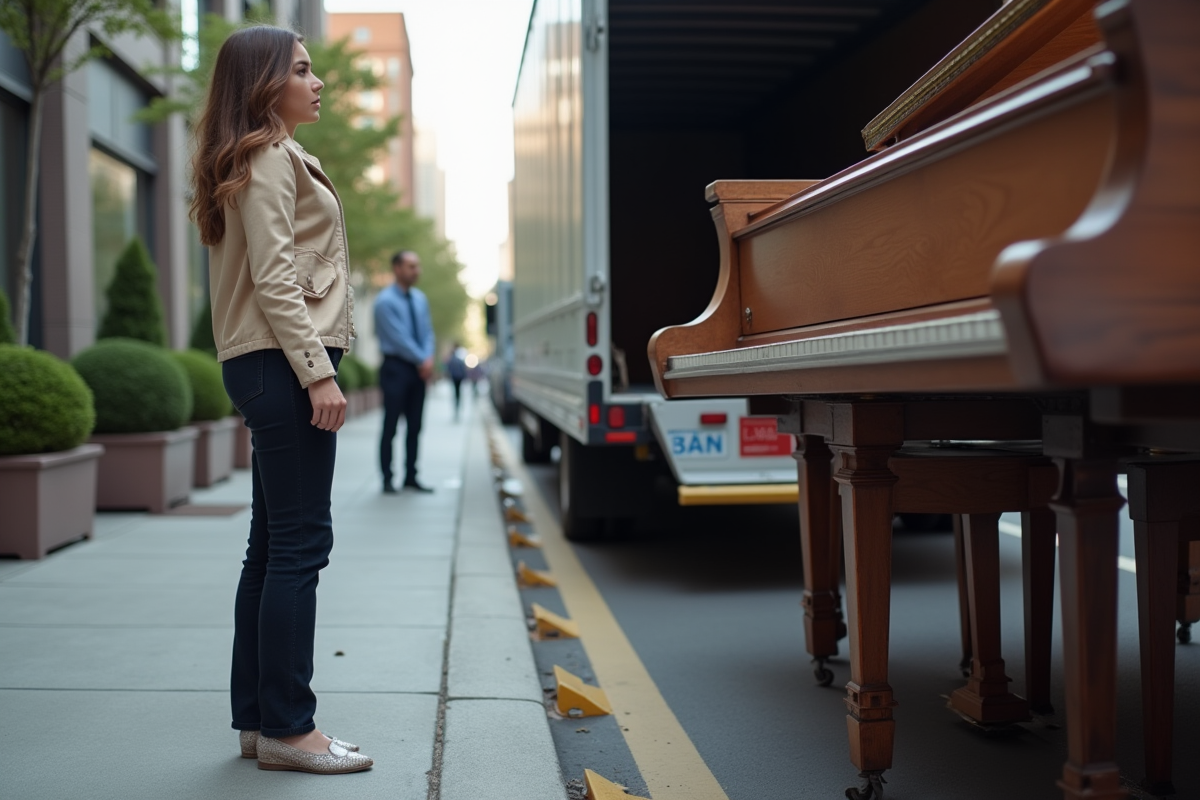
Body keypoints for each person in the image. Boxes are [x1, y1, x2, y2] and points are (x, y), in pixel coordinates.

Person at [191, 25, 372, 774]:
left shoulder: (258, 157)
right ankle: (291, 730)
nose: (317, 79)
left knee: (271, 548)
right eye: (301, 69)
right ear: (266, 83)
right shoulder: (268, 158)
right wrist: (318, 373)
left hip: (266, 363)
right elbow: (274, 278)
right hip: (282, 363)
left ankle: (259, 721)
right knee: (301, 545)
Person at [375, 250, 435, 492]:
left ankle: (411, 476)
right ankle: (387, 479)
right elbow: (398, 338)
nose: (416, 270)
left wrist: (427, 358)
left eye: (417, 266)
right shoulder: (384, 301)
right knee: (390, 425)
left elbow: (428, 332)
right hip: (396, 367)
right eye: (411, 266)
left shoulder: (420, 299)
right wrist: (423, 359)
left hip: (418, 369)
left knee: (415, 425)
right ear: (397, 269)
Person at [445, 342, 468, 420]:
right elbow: (463, 368)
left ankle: (457, 408)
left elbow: (449, 368)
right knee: (458, 393)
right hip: (458, 378)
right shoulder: (460, 356)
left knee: (456, 393)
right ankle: (457, 407)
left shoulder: (453, 357)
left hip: (455, 378)